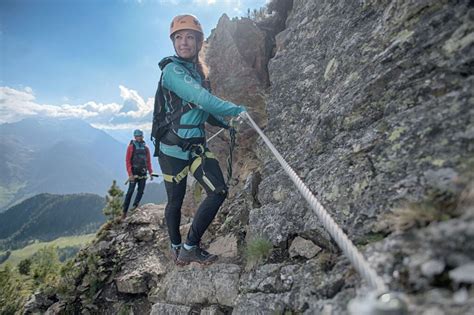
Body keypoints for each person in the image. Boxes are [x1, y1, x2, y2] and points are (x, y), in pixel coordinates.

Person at [155, 14, 247, 265]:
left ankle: (189, 247)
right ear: (173, 43)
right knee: (175, 200)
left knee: (218, 191)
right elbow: (203, 100)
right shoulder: (172, 71)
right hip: (172, 150)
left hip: (196, 147)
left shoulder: (198, 74)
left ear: (198, 42)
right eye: (179, 38)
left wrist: (226, 123)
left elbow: (204, 110)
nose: (184, 42)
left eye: (189, 37)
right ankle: (176, 247)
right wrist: (236, 110)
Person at [122, 129, 153, 220]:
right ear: (135, 137)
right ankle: (124, 212)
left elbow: (148, 161)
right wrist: (130, 174)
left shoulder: (145, 148)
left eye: (140, 136)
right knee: (130, 192)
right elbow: (128, 161)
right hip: (134, 173)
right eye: (138, 136)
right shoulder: (131, 147)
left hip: (143, 173)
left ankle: (135, 206)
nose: (139, 138)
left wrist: (150, 172)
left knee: (141, 191)